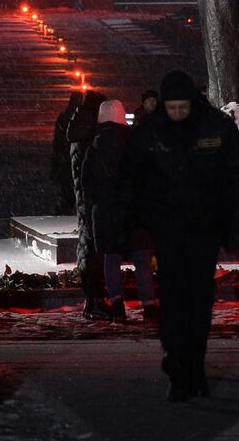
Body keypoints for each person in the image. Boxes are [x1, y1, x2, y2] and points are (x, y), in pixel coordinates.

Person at [118, 69, 239, 401]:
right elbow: (130, 178)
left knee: (200, 301)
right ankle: (177, 362)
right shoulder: (151, 131)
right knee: (175, 299)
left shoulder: (215, 128)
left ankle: (194, 364)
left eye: (183, 107)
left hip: (204, 228)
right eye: (172, 107)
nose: (177, 113)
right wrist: (135, 219)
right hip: (167, 229)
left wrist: (235, 225)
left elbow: (238, 177)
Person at [82, 99, 157, 321]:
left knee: (111, 261)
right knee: (142, 260)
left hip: (106, 214)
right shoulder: (136, 143)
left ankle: (117, 305)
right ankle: (149, 306)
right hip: (133, 212)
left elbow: (87, 187)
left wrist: (92, 212)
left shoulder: (93, 148)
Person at [65, 88, 109, 319]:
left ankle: (93, 299)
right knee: (93, 249)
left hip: (85, 200)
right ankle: (95, 300)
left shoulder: (79, 132)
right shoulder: (90, 137)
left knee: (88, 247)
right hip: (92, 200)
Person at [50, 93, 79, 215]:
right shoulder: (79, 118)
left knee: (65, 197)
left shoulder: (64, 117)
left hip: (64, 162)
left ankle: (62, 215)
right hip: (71, 161)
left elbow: (57, 143)